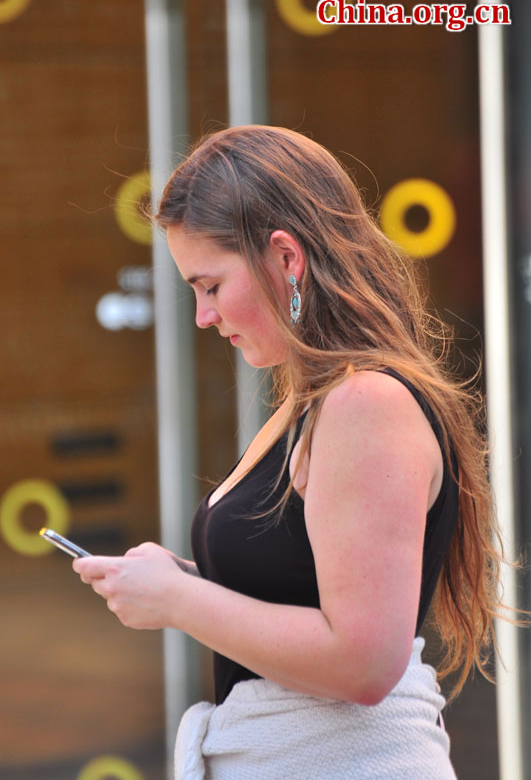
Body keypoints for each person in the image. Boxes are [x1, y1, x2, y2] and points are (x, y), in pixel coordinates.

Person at [74, 125, 514, 779]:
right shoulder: (315, 399)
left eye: (211, 286)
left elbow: (362, 662)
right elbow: (306, 591)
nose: (202, 315)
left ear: (285, 258)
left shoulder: (364, 403)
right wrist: (177, 579)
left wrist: (178, 601)